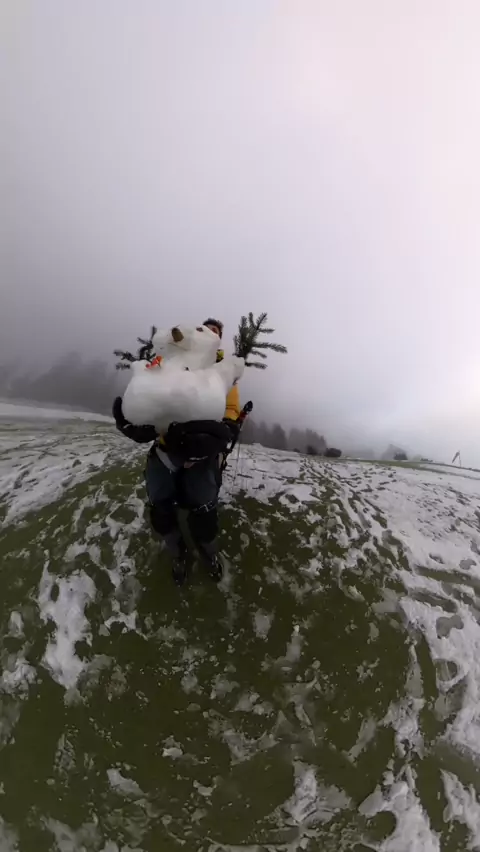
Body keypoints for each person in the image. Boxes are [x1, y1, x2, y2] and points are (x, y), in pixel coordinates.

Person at [112, 318, 241, 585]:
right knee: (160, 508)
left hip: (203, 455)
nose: (210, 333)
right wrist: (138, 421)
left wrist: (225, 430)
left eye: (216, 332)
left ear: (218, 339)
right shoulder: (173, 360)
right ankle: (177, 551)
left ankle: (207, 552)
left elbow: (230, 409)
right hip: (164, 450)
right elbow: (157, 395)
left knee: (204, 510)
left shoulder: (220, 371)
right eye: (206, 329)